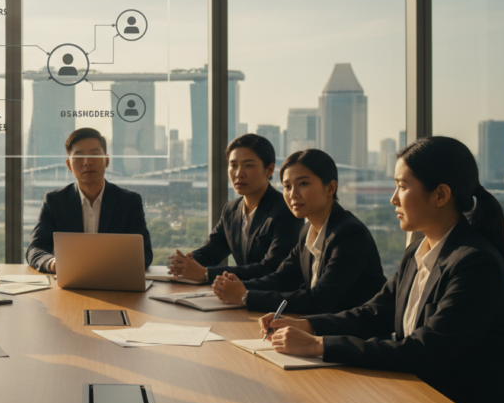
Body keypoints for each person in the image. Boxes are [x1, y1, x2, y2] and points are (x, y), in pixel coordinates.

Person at [261, 137, 504, 403]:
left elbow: (424, 351)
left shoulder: (475, 264)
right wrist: (306, 326)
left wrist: (318, 345)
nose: (393, 199)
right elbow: (373, 314)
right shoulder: (417, 252)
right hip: (419, 400)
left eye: (402, 186)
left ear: (440, 195)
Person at [212, 149, 385, 314]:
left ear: (330, 188)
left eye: (303, 184)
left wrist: (245, 296)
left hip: (354, 339)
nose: (293, 194)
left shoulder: (350, 234)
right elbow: (283, 278)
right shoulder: (307, 230)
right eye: (287, 186)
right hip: (318, 331)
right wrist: (238, 285)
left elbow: (318, 300)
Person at [167, 134, 302, 284]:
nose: (239, 174)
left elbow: (272, 268)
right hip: (238, 296)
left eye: (248, 165)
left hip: (271, 300)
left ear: (269, 170)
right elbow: (212, 250)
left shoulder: (286, 210)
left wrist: (206, 274)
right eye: (233, 165)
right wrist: (184, 262)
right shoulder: (231, 209)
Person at [26, 128, 153, 273]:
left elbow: (145, 254)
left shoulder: (129, 202)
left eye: (94, 155)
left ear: (106, 161)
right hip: (69, 284)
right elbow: (35, 249)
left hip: (114, 284)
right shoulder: (55, 202)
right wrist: (53, 263)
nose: (87, 162)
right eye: (79, 157)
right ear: (69, 165)